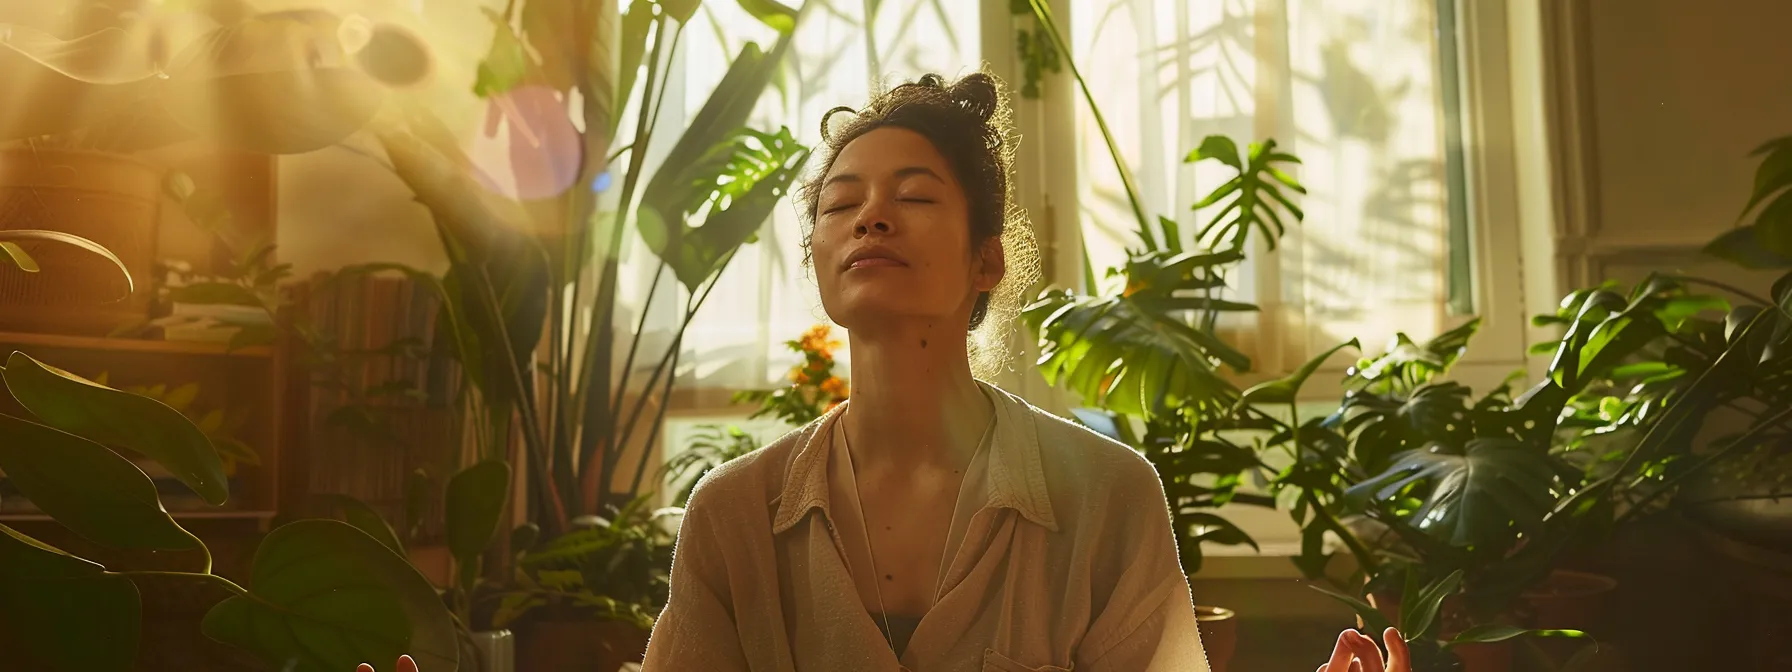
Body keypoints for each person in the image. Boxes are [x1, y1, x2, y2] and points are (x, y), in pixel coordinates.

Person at [360, 72, 1415, 672]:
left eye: (914, 193)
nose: (868, 213)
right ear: (818, 258)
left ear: (986, 260)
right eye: (838, 201)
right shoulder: (733, 515)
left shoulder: (1105, 499)